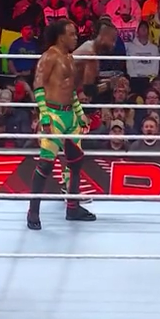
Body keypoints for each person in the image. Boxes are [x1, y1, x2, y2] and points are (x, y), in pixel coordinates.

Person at [27, 19, 98, 230]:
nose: (76, 37)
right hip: (53, 114)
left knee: (75, 163)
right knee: (46, 163)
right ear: (61, 37)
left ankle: (72, 208)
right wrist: (44, 115)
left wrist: (80, 112)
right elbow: (38, 85)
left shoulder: (69, 58)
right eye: (72, 34)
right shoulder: (49, 56)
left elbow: (71, 90)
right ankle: (33, 212)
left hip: (70, 116)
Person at [54, 17, 119, 201]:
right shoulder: (90, 53)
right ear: (103, 36)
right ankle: (70, 190)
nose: (114, 44)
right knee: (71, 145)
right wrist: (110, 84)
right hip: (61, 96)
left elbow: (85, 84)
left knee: (70, 144)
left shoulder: (90, 50)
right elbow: (89, 91)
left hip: (64, 94)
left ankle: (69, 188)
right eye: (112, 39)